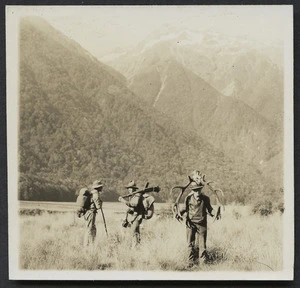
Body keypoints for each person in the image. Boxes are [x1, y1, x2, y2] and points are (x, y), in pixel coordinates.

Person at [181, 181, 215, 267]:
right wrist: (178, 213)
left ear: (201, 190)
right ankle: (190, 263)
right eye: (195, 190)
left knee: (202, 245)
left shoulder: (206, 198)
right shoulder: (188, 198)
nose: (197, 192)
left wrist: (214, 213)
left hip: (202, 224)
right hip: (191, 224)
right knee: (190, 244)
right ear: (192, 190)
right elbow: (184, 209)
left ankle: (203, 264)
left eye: (199, 190)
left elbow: (210, 209)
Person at [118, 181, 155, 247]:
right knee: (135, 232)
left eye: (130, 188)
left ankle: (135, 247)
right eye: (128, 188)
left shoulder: (137, 195)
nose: (129, 190)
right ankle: (137, 246)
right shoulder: (133, 196)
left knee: (134, 232)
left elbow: (134, 205)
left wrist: (123, 201)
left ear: (133, 188)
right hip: (134, 217)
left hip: (137, 217)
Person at [83, 180, 104, 246]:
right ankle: (87, 245)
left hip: (87, 213)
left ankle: (89, 244)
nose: (102, 188)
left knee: (90, 228)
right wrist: (101, 202)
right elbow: (98, 206)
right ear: (98, 187)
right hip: (91, 213)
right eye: (101, 187)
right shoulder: (96, 195)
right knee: (90, 229)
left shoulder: (91, 193)